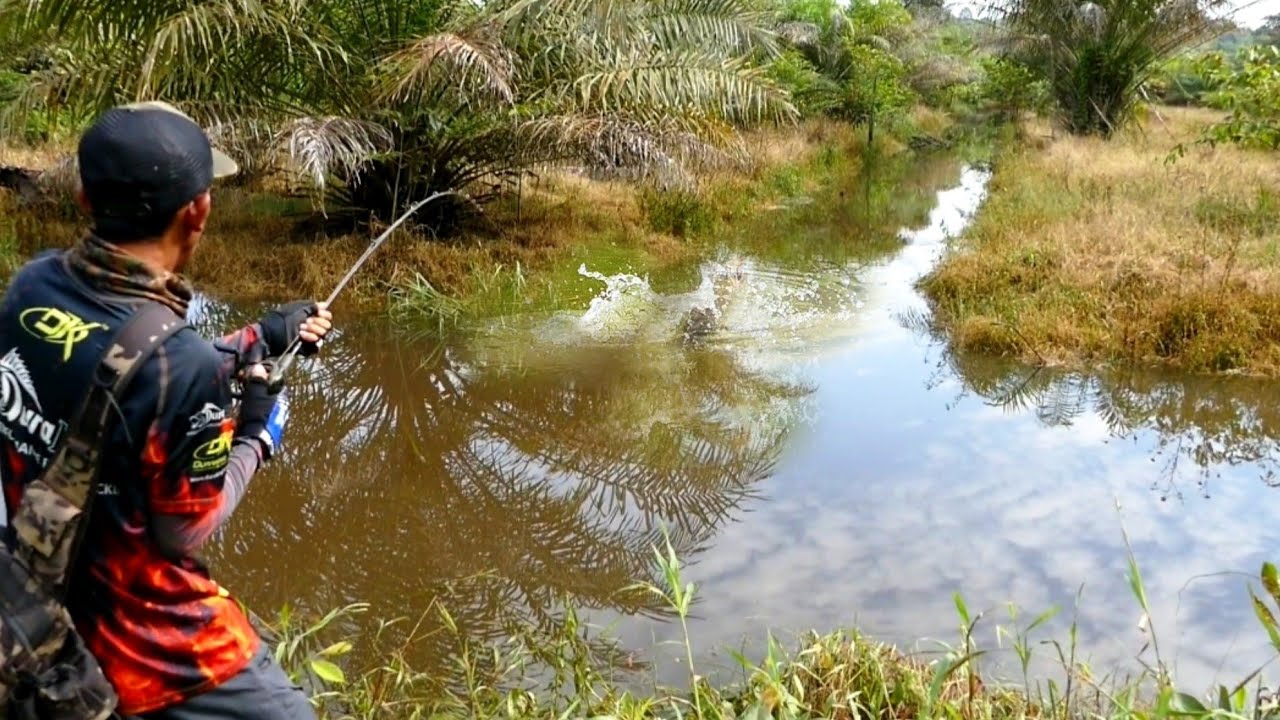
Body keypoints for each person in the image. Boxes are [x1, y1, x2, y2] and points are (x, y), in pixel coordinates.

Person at [0, 101, 333, 719]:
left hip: (37, 591)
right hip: (147, 641)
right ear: (197, 211)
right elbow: (185, 530)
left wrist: (257, 338)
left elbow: (113, 374)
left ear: (84, 197)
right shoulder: (182, 366)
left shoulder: (32, 284)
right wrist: (257, 436)